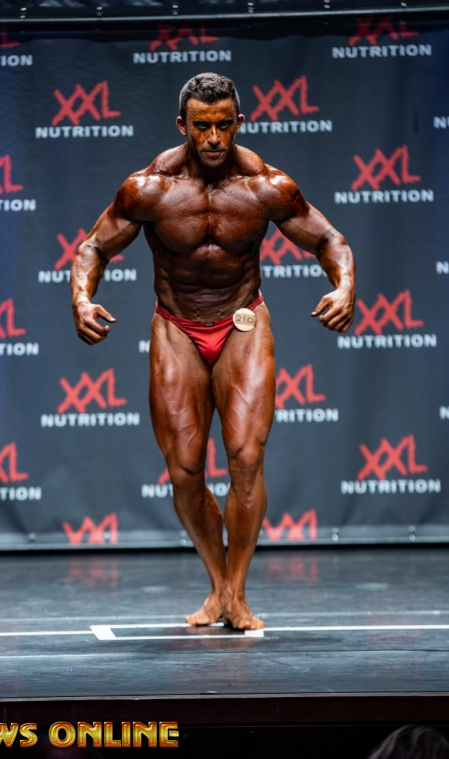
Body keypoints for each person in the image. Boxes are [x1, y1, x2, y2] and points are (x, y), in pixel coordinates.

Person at [70, 72, 355, 630]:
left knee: (246, 458)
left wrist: (344, 285)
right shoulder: (149, 188)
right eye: (202, 126)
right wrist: (81, 298)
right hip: (176, 327)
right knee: (183, 470)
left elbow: (329, 240)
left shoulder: (265, 186)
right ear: (182, 125)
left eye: (225, 124)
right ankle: (217, 584)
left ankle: (238, 593)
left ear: (240, 122)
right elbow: (93, 248)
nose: (215, 137)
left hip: (242, 322)